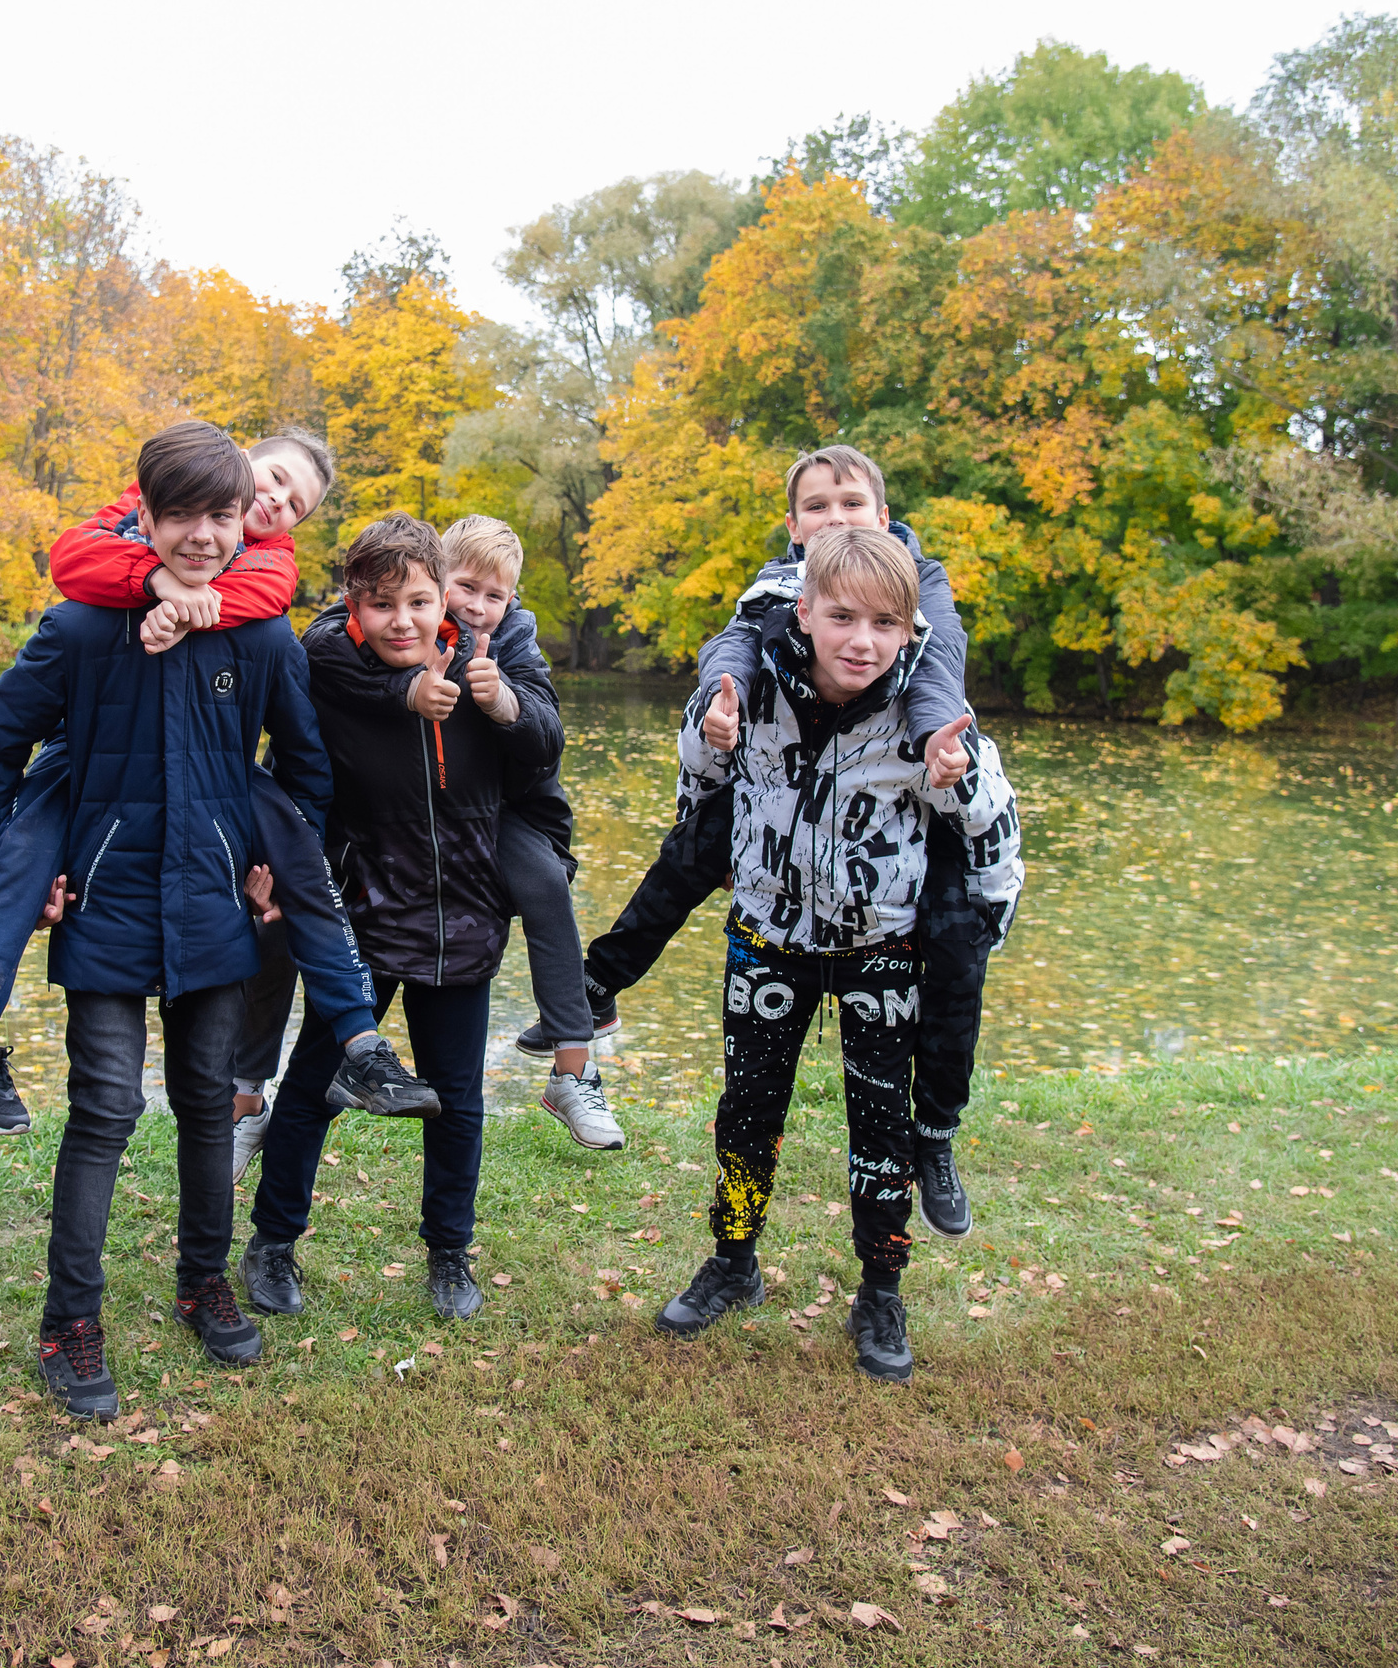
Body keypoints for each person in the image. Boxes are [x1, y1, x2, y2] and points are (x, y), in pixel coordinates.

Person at [0, 428, 436, 1140]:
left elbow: (267, 610)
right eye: (269, 477)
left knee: (301, 847)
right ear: (235, 467)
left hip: (216, 770)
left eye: (292, 502)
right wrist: (160, 583)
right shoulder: (150, 517)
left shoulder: (268, 566)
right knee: (18, 860)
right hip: (88, 759)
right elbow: (73, 559)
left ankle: (361, 1045)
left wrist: (189, 605)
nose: (274, 500)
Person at [534, 446, 1013, 1238]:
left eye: (852, 505)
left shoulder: (918, 594)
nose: (836, 519)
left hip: (910, 811)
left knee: (956, 955)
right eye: (817, 508)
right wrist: (720, 720)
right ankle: (596, 989)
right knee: (688, 858)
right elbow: (729, 652)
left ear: (886, 521)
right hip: (777, 812)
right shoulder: (776, 592)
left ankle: (933, 1138)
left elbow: (938, 675)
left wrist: (937, 745)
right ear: (793, 531)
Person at [0, 420, 329, 1419]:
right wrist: (14, 865)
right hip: (108, 902)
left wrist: (273, 867)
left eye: (221, 516)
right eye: (182, 517)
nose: (204, 536)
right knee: (106, 1107)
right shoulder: (83, 625)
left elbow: (304, 770)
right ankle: (68, 1317)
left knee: (210, 1100)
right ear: (147, 516)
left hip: (213, 904)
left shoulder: (258, 634)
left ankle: (201, 1276)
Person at [649, 526, 1020, 1384]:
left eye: (885, 623)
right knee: (747, 1112)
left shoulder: (932, 709)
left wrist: (978, 933)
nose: (862, 639)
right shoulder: (753, 686)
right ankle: (732, 1260)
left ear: (910, 631)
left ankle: (881, 1287)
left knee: (881, 1132)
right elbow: (699, 783)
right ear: (805, 611)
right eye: (843, 616)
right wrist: (711, 734)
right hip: (767, 939)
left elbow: (991, 828)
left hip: (882, 949)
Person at [239, 514, 561, 1324]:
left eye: (419, 601)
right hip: (365, 914)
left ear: (443, 600)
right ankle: (271, 1242)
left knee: (457, 1098)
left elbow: (545, 749)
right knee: (313, 1082)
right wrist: (274, 858)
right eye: (383, 604)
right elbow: (289, 769)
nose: (404, 620)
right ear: (354, 603)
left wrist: (505, 707)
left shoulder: (493, 658)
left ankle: (449, 1252)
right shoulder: (329, 667)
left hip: (465, 916)